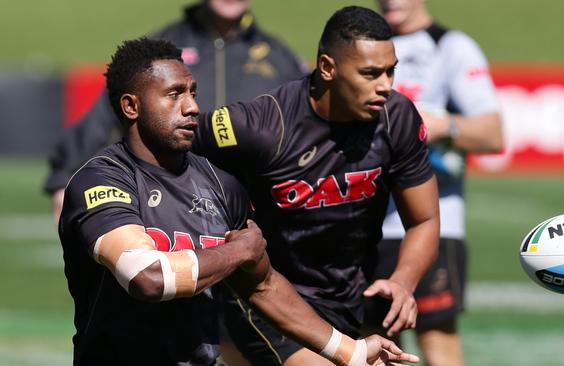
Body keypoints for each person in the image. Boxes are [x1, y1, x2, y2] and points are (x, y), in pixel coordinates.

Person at [59, 37, 419, 366]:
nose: (192, 107)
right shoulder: (102, 181)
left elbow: (262, 286)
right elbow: (148, 277)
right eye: (174, 94)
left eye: (193, 92)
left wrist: (352, 352)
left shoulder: (220, 184)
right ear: (131, 106)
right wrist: (236, 253)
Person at [191, 6, 440, 365]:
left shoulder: (396, 118)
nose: (386, 86)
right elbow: (170, 141)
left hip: (353, 298)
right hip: (268, 298)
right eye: (371, 74)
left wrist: (403, 281)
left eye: (390, 71)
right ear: (327, 68)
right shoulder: (263, 124)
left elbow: (424, 220)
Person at [45, 0, 306, 223]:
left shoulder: (279, 58)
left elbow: (306, 128)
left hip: (255, 207)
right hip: (172, 202)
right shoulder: (164, 48)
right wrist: (65, 176)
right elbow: (108, 111)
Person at [366, 1, 505, 365]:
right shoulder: (363, 45)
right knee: (371, 346)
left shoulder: (450, 46)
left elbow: (493, 133)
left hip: (434, 225)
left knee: (437, 343)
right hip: (365, 225)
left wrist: (441, 126)